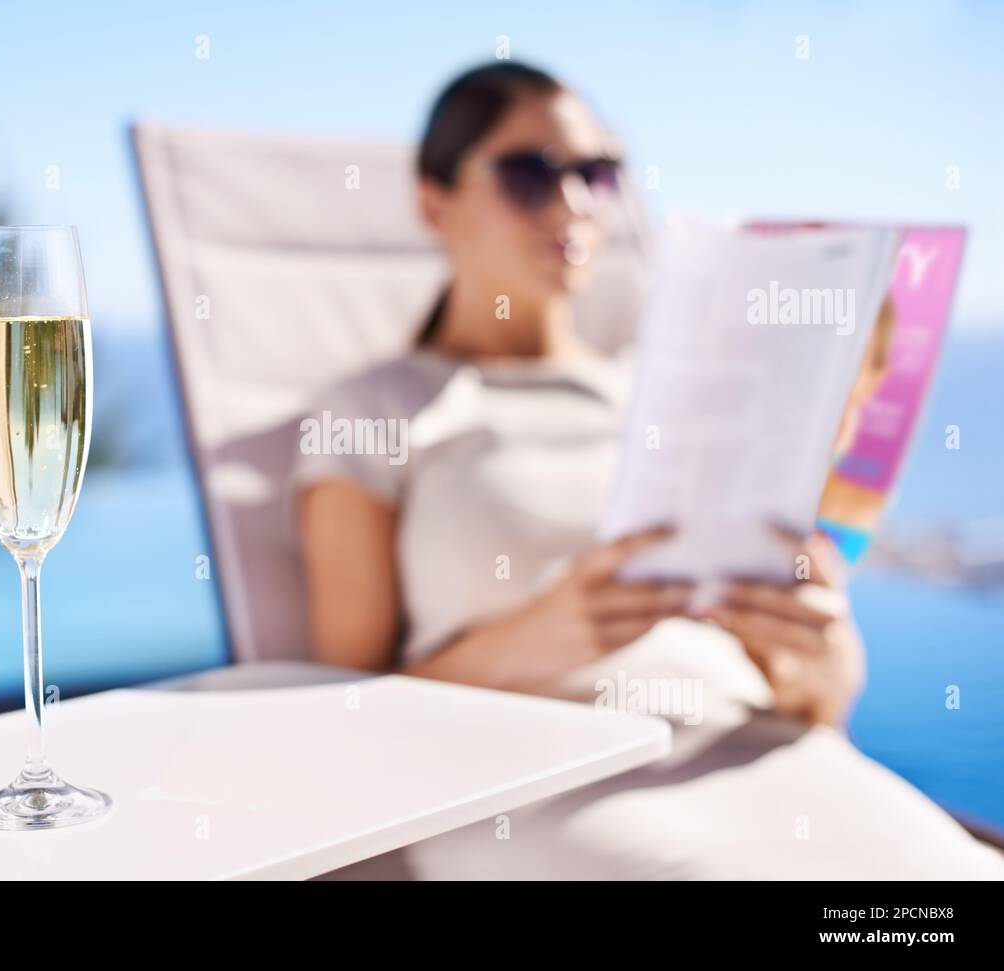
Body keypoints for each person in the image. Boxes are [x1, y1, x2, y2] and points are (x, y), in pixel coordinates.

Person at [293, 62, 1003, 879]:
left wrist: (822, 659)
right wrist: (537, 639)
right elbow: (339, 716)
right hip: (535, 783)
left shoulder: (682, 394)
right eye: (530, 173)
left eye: (596, 174)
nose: (574, 204)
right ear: (433, 202)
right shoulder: (378, 408)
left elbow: (819, 705)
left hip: (762, 752)